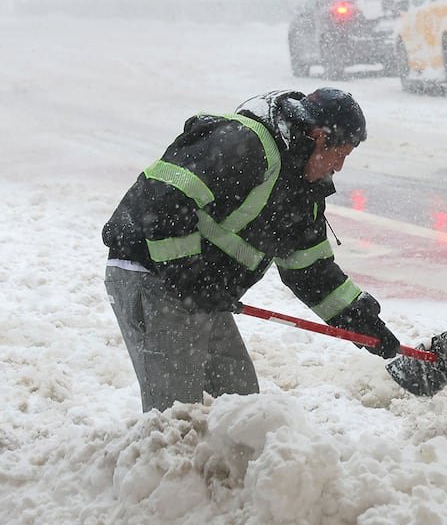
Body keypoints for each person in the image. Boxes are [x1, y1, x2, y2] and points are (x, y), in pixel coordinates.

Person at [102, 88, 401, 412]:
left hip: (200, 291)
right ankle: (159, 462)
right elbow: (163, 197)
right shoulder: (246, 144)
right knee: (177, 416)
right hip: (152, 274)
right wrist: (189, 276)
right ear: (318, 137)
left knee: (239, 405)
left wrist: (358, 318)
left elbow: (309, 270)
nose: (339, 167)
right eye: (340, 154)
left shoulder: (301, 190)